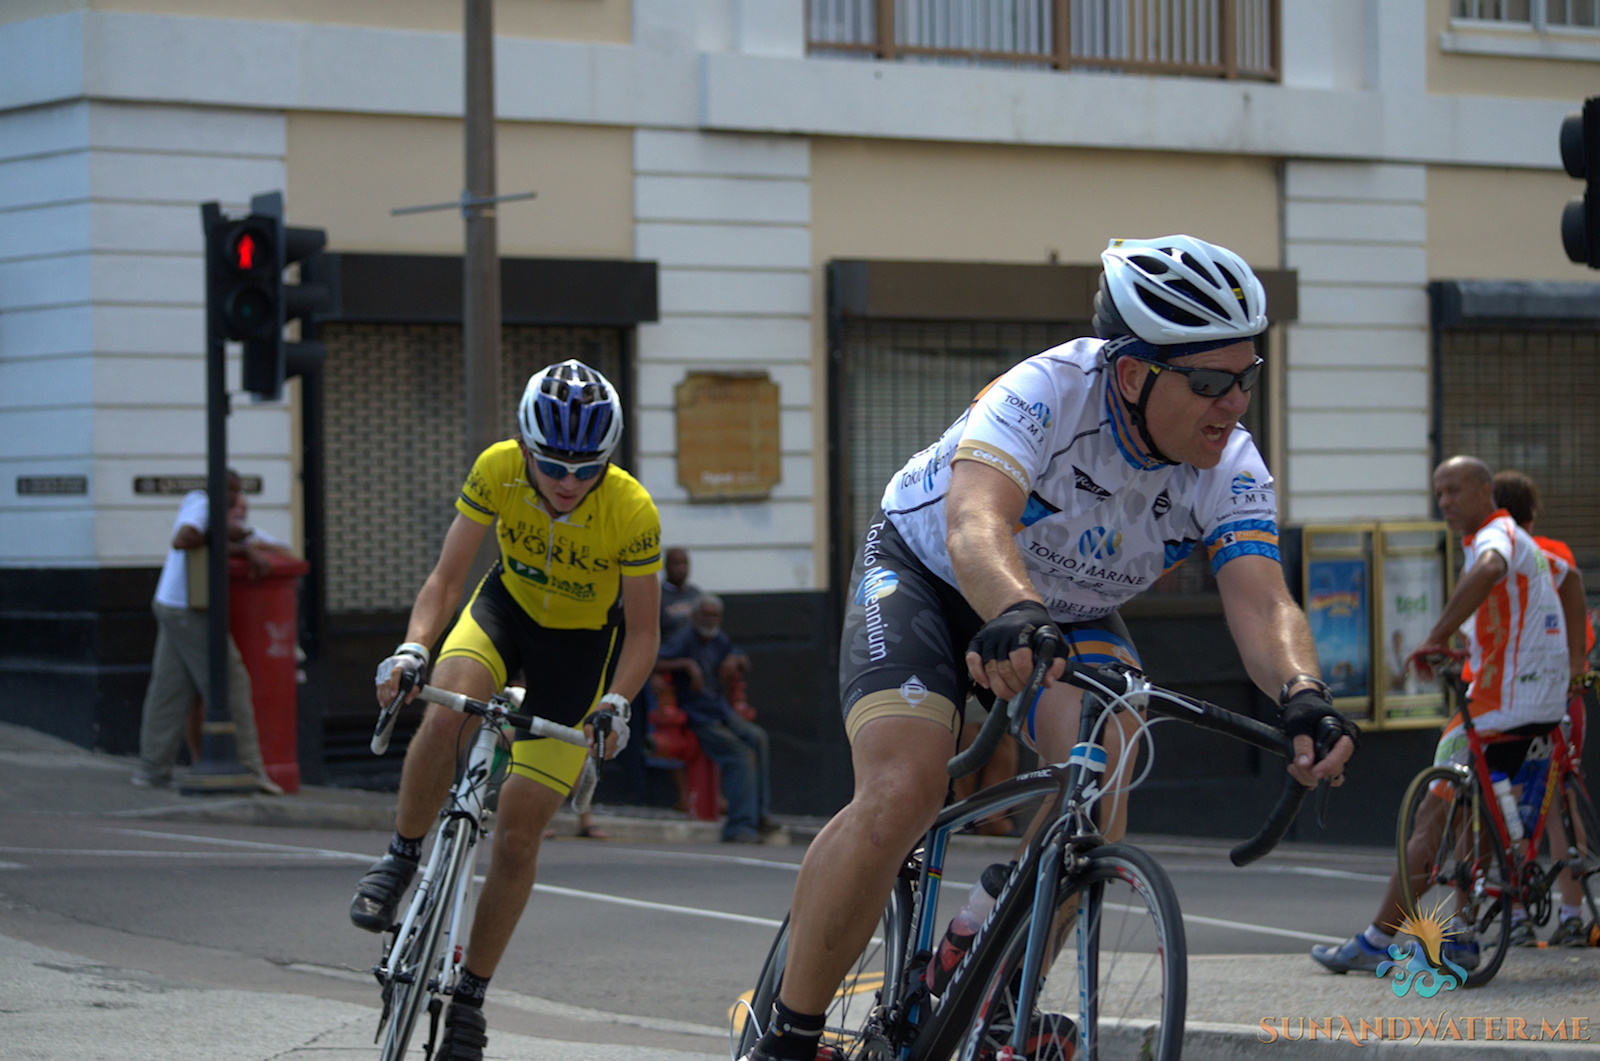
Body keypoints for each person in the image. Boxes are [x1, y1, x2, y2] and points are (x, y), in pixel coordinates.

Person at [739, 236, 1357, 1061]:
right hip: (932, 575)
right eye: (1210, 381)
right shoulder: (1046, 391)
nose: (1234, 402)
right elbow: (976, 523)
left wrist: (1303, 692)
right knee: (902, 787)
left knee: (1104, 770)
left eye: (1247, 376)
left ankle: (989, 960)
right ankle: (789, 1035)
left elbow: (1261, 600)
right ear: (1134, 374)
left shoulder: (1229, 464)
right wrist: (1017, 607)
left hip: (1064, 612)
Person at [350, 360, 660, 1061]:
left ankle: (468, 1002)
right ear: (524, 445)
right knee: (445, 711)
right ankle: (400, 858)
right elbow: (447, 577)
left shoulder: (632, 510)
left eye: (587, 468)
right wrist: (410, 650)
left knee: (518, 837)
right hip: (505, 612)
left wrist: (616, 701)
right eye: (553, 463)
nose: (569, 482)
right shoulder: (496, 469)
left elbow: (642, 635)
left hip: (581, 654)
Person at [1312, 456, 1572, 973]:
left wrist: (1434, 637)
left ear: (1485, 490)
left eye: (1455, 490)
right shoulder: (1530, 544)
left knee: (1431, 817)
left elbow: (1491, 570)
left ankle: (1377, 940)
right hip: (1543, 706)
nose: (1445, 502)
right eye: (1439, 494)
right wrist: (1577, 664)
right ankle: (1464, 934)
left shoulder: (1495, 537)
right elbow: (1572, 576)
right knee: (1475, 822)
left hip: (1499, 704)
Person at [134, 469, 291, 793]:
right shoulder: (200, 504)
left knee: (169, 690)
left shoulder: (226, 522)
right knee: (231, 682)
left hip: (171, 605)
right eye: (228, 490)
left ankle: (153, 769)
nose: (232, 496)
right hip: (188, 608)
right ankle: (251, 768)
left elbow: (284, 551)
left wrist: (246, 542)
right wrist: (237, 547)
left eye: (237, 491)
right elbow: (183, 539)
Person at [1490, 469, 1593, 947]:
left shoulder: (1490, 558)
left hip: (1507, 699)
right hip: (1562, 698)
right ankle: (1572, 917)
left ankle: (1513, 916)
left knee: (1501, 803)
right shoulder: (1556, 555)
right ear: (1533, 513)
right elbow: (1581, 631)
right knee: (1560, 806)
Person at [657, 594, 776, 843]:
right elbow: (656, 660)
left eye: (715, 616)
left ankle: (760, 815)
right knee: (741, 755)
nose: (710, 620)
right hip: (697, 714)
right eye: (706, 615)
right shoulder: (684, 639)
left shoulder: (719, 640)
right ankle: (739, 826)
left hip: (720, 710)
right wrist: (687, 665)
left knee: (757, 737)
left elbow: (743, 657)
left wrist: (735, 659)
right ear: (694, 617)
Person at [660, 546, 703, 638]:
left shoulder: (695, 594)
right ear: (667, 566)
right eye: (676, 563)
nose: (681, 568)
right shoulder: (658, 596)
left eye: (684, 563)